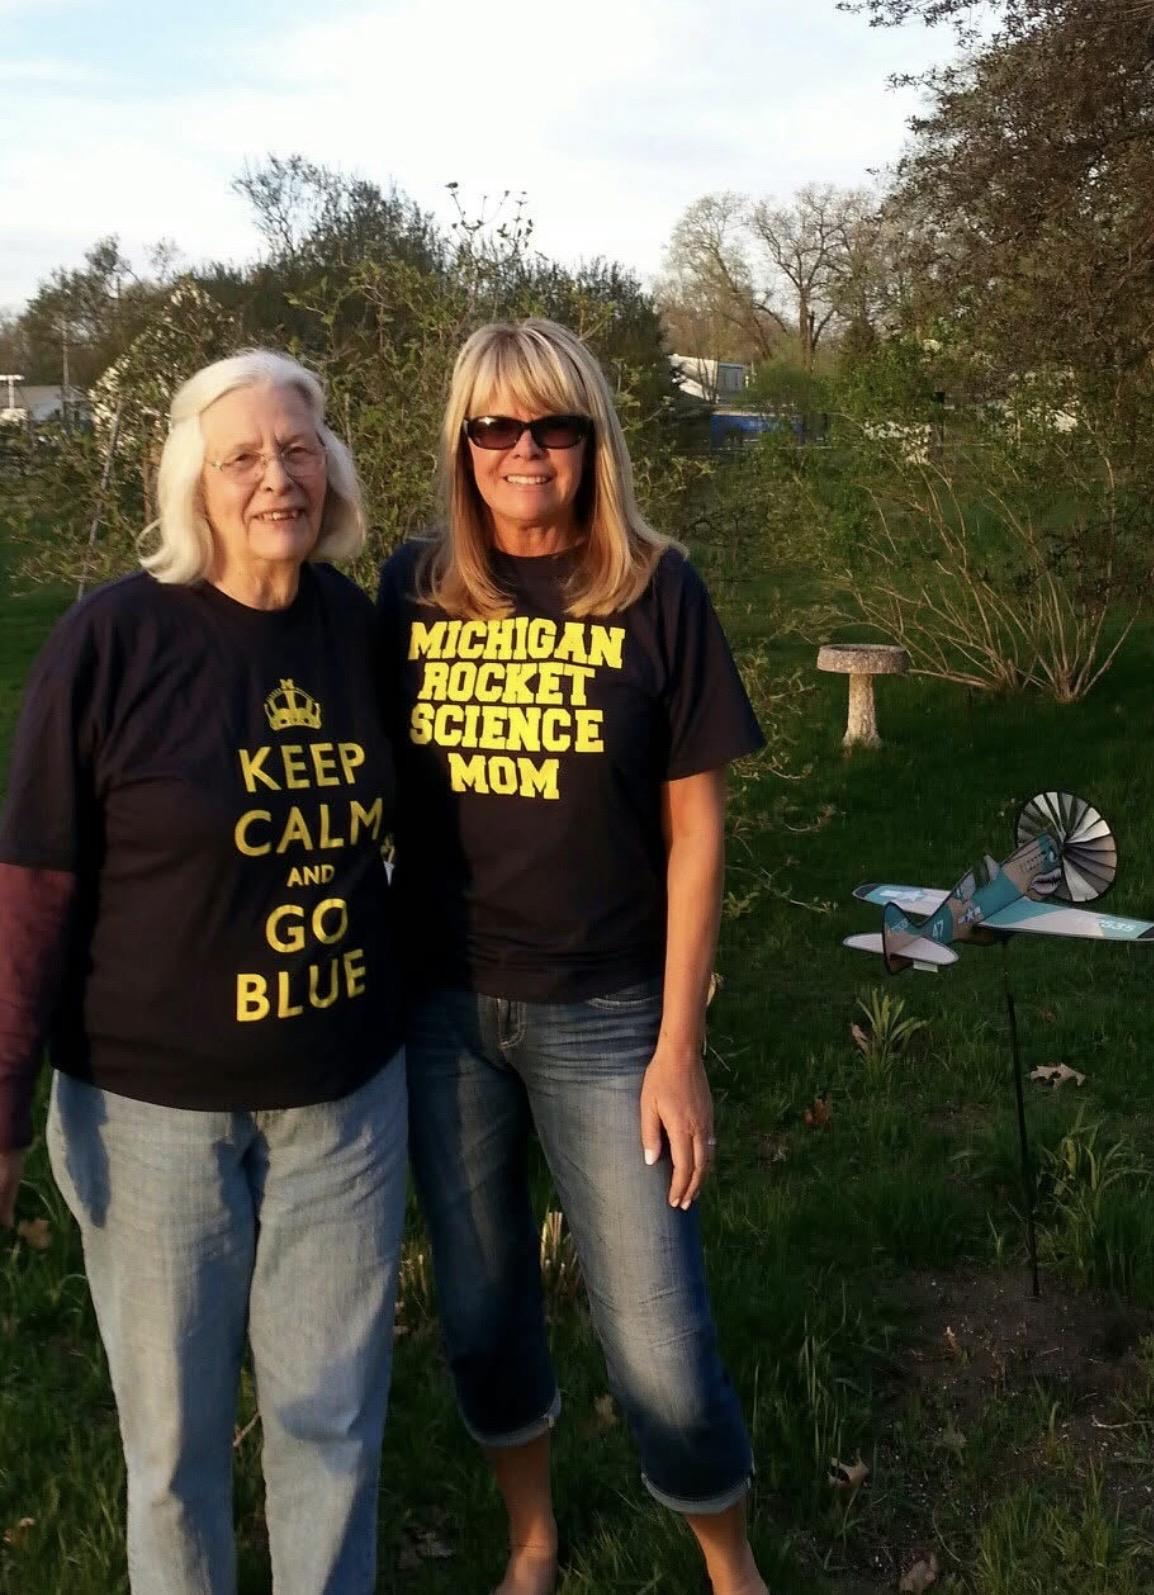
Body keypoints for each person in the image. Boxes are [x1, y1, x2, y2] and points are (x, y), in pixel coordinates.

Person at [0, 350, 407, 1595]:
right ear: (195, 482)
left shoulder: (362, 633)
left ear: (328, 470)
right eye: (241, 456)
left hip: (341, 1098)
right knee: (172, 1450)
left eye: (297, 449)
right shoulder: (112, 640)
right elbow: (33, 882)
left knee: (331, 1424)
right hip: (148, 1109)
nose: (274, 476)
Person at [377, 318, 768, 1595]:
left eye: (552, 424)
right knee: (484, 1311)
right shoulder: (411, 586)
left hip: (607, 1013)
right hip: (442, 1008)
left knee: (655, 1332)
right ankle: (532, 1538)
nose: (524, 449)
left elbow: (696, 829)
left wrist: (677, 1046)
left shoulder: (659, 587)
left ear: (592, 439)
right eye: (495, 426)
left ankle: (728, 1564)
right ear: (462, 444)